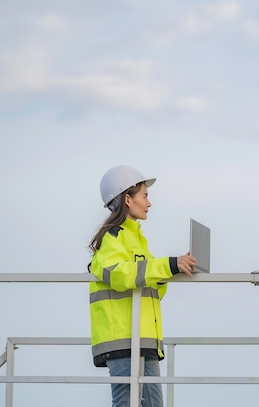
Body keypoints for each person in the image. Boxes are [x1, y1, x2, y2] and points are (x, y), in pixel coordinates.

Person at [88, 165, 196, 407]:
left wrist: (173, 269)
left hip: (143, 338)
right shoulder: (113, 237)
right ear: (128, 199)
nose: (149, 203)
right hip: (122, 338)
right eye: (145, 196)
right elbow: (117, 274)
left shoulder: (137, 241)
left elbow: (151, 288)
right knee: (127, 403)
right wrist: (168, 265)